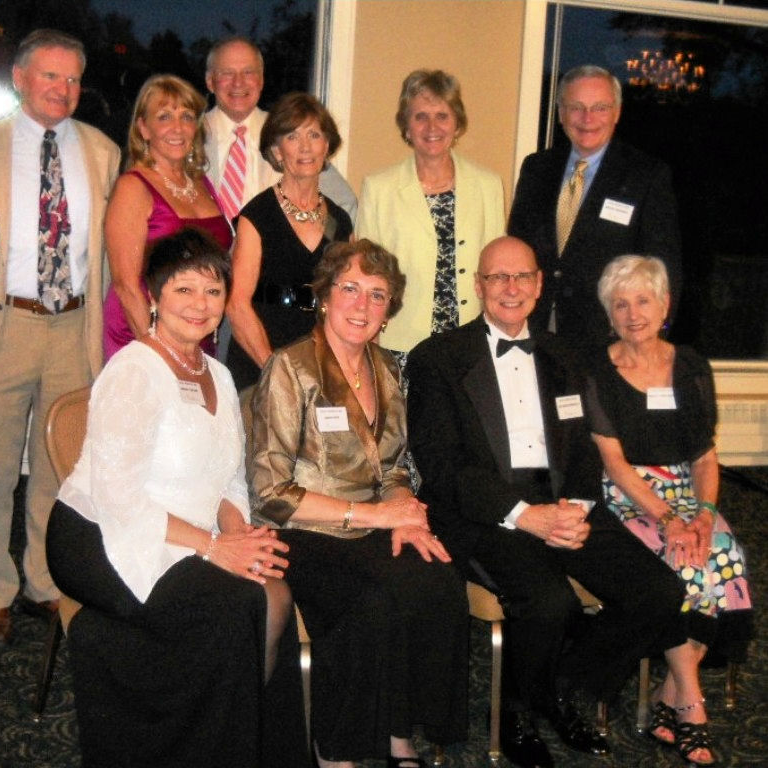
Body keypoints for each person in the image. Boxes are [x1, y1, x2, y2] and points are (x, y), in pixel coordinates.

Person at [406, 237, 686, 768]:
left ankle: (556, 690)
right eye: (498, 277)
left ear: (538, 285)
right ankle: (517, 712)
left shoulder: (566, 355)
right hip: (486, 511)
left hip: (563, 503)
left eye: (522, 277)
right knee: (549, 601)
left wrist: (575, 508)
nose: (511, 288)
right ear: (479, 286)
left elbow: (583, 448)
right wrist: (524, 516)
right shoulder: (437, 358)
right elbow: (444, 467)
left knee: (658, 592)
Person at [46, 228, 292, 767]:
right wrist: (215, 548)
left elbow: (229, 479)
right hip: (101, 536)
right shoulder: (133, 371)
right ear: (154, 297)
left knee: (273, 592)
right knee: (234, 608)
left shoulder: (219, 375)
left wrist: (238, 536)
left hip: (188, 533)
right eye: (184, 289)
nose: (200, 304)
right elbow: (120, 499)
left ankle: (244, 743)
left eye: (213, 291)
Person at [249, 239, 468, 768]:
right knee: (371, 602)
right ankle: (335, 750)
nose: (362, 304)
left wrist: (406, 515)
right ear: (324, 296)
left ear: (388, 311)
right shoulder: (290, 368)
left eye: (377, 295)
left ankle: (399, 731)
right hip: (303, 531)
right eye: (349, 288)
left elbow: (393, 466)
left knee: (438, 581)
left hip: (372, 523)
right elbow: (271, 494)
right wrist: (377, 515)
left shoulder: (387, 368)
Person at [0, 29, 121, 645]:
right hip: (9, 322)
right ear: (21, 79)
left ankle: (42, 578)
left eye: (73, 78)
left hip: (73, 326)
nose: (63, 88)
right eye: (50, 75)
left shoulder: (103, 151)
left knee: (60, 464)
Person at [585, 255, 753, 767]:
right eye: (620, 304)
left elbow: (704, 456)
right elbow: (614, 464)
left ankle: (669, 693)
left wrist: (704, 513)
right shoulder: (598, 369)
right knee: (683, 565)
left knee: (724, 556)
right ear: (608, 314)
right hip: (629, 496)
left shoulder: (692, 365)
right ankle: (692, 703)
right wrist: (669, 520)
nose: (633, 314)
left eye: (643, 301)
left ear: (664, 306)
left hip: (687, 491)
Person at [508, 65, 681, 356]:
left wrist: (654, 338)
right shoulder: (536, 168)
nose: (587, 119)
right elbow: (516, 249)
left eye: (600, 107)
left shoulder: (646, 175)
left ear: (617, 112)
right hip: (534, 333)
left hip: (609, 340)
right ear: (561, 113)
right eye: (576, 107)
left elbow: (664, 268)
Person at [357, 69, 505, 364]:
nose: (432, 127)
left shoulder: (487, 185)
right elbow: (368, 275)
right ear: (406, 126)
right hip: (401, 342)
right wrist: (368, 340)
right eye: (420, 116)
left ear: (457, 124)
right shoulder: (379, 188)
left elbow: (497, 270)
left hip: (470, 341)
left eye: (442, 116)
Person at [225, 92, 353, 390]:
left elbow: (345, 299)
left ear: (327, 146)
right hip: (261, 360)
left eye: (314, 135)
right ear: (277, 151)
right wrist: (275, 370)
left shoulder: (340, 221)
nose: (305, 147)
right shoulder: (257, 216)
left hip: (319, 361)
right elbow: (237, 305)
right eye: (293, 137)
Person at [103, 74, 232, 361]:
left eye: (186, 117)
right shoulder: (133, 187)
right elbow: (126, 286)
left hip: (196, 326)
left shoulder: (202, 183)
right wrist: (164, 355)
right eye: (164, 117)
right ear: (143, 128)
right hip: (143, 333)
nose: (178, 127)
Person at [202, 36, 357, 225]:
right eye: (227, 73)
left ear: (261, 80)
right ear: (210, 81)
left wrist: (310, 236)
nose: (238, 82)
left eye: (248, 72)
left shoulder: (287, 133)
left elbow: (343, 205)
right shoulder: (188, 138)